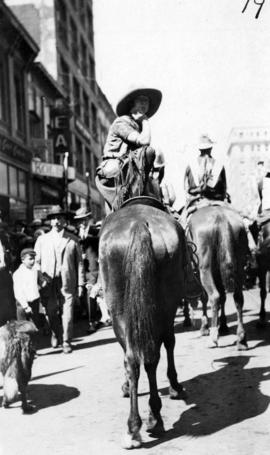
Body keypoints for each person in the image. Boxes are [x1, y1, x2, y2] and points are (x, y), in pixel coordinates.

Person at [96, 86, 162, 211]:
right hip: (114, 169)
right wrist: (145, 120)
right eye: (140, 100)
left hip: (130, 170)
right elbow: (144, 142)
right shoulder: (121, 122)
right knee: (148, 152)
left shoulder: (138, 126)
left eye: (146, 101)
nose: (144, 104)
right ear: (132, 103)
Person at [34, 206, 84, 354]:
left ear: (64, 221)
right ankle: (56, 333)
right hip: (48, 282)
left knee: (67, 312)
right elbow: (36, 262)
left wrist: (80, 284)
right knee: (50, 312)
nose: (56, 221)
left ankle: (67, 342)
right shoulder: (42, 240)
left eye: (59, 218)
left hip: (67, 281)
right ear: (50, 222)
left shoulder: (73, 240)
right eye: (53, 218)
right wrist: (40, 278)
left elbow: (79, 263)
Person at [184, 134, 228, 214]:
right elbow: (224, 191)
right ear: (211, 148)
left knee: (181, 222)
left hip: (196, 203)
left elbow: (186, 189)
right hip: (218, 203)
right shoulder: (220, 166)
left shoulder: (190, 166)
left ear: (199, 149)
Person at [74, 207, 100, 334]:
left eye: (83, 220)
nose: (81, 223)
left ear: (88, 219)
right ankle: (89, 316)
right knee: (82, 294)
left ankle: (92, 322)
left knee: (91, 293)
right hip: (79, 269)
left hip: (92, 268)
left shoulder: (95, 231)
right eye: (79, 221)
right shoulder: (74, 234)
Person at [13, 248, 44, 329]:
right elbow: (18, 293)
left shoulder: (35, 269)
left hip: (34, 303)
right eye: (30, 259)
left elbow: (35, 285)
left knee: (34, 327)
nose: (33, 261)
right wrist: (26, 306)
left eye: (34, 258)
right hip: (23, 305)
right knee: (24, 328)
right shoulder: (18, 274)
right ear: (23, 260)